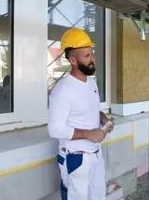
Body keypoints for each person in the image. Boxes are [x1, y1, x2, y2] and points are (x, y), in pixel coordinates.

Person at [48, 28, 115, 200]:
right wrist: (89, 134)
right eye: (87, 56)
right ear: (73, 60)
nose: (93, 59)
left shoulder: (91, 83)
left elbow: (92, 109)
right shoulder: (63, 89)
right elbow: (55, 130)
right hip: (76, 160)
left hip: (96, 155)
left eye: (91, 53)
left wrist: (104, 119)